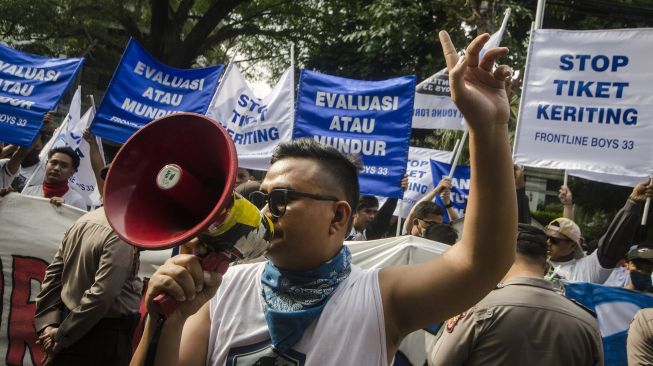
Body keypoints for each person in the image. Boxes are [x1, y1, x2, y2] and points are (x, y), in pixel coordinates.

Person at [131, 31, 517, 366]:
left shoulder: (381, 299)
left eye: (281, 198)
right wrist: (169, 319)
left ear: (338, 217)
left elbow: (481, 260)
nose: (265, 212)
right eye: (263, 198)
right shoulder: (221, 290)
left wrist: (488, 128)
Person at [428, 224, 603, 365]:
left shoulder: (476, 307)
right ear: (547, 267)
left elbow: (438, 361)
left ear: (502, 260)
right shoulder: (587, 322)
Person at [34, 207, 142, 365]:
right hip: (103, 338)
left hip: (71, 328)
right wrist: (61, 337)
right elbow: (101, 296)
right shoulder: (120, 233)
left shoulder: (82, 220)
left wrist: (48, 326)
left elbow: (53, 276)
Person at [546, 179, 652, 284]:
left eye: (554, 240)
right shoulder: (535, 259)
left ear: (573, 246)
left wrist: (632, 203)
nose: (548, 242)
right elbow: (568, 230)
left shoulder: (585, 269)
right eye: (546, 237)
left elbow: (612, 244)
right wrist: (567, 205)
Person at [22, 146, 87, 210]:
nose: (56, 168)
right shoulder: (28, 192)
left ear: (72, 172)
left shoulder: (77, 201)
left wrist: (66, 210)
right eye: (54, 163)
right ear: (46, 164)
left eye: (64, 166)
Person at [347, 175, 408, 240]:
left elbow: (386, 212)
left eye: (375, 212)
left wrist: (397, 190)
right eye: (368, 211)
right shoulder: (340, 230)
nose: (372, 216)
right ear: (355, 212)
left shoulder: (368, 234)